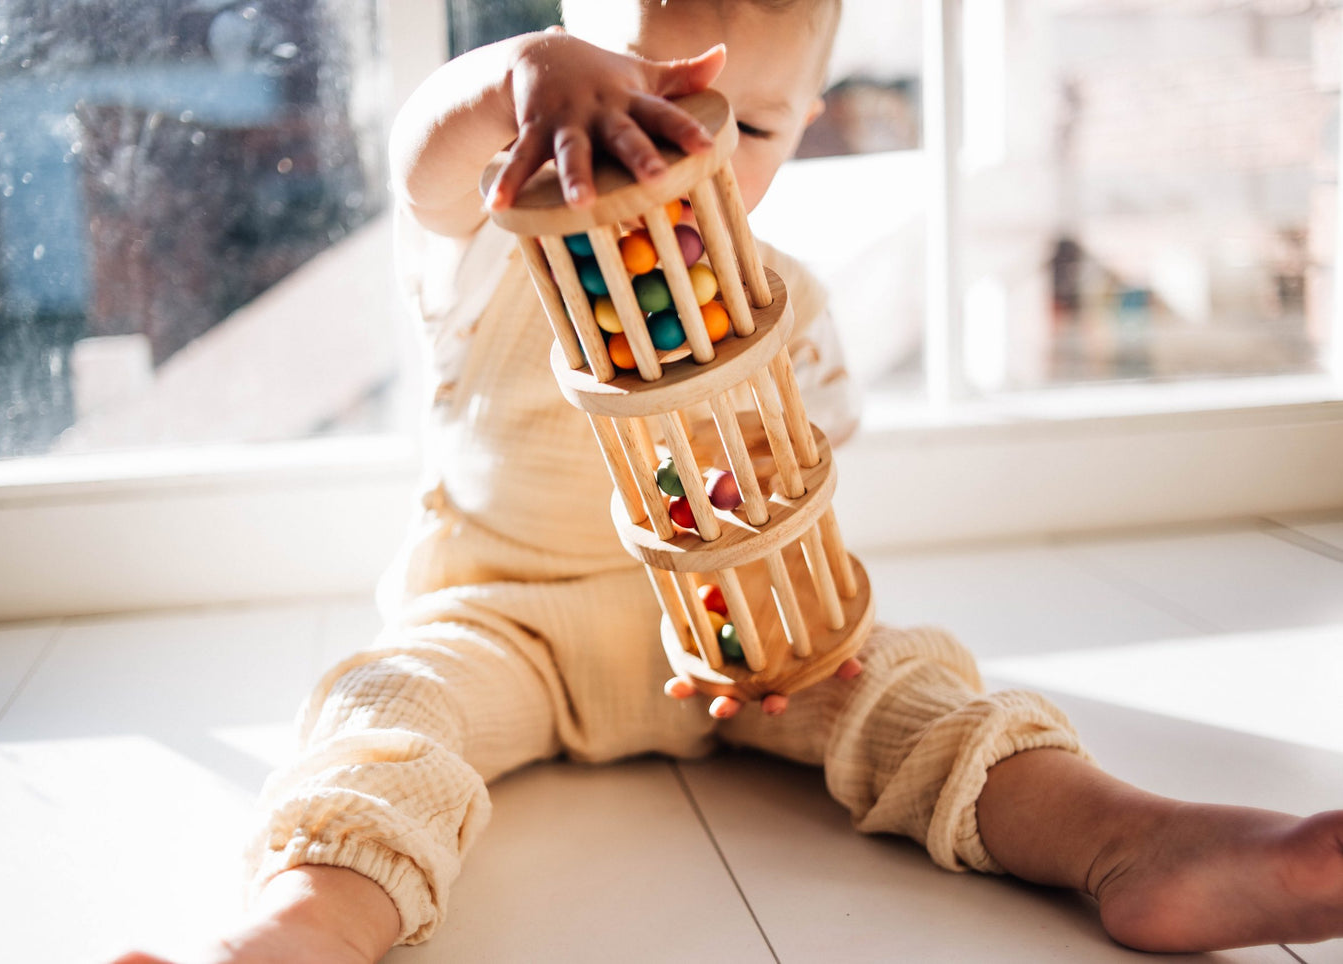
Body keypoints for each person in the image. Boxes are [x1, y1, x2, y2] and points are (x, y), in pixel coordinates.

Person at [113, 2, 1343, 961]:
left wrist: (800, 627)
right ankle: (308, 921)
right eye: (635, 108)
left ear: (806, 121)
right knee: (390, 711)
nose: (686, 158)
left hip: (732, 641)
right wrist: (516, 73)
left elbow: (801, 485)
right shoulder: (496, 248)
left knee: (912, 691)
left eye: (745, 128)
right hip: (503, 622)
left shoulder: (784, 300)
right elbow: (424, 162)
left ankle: (1129, 838)